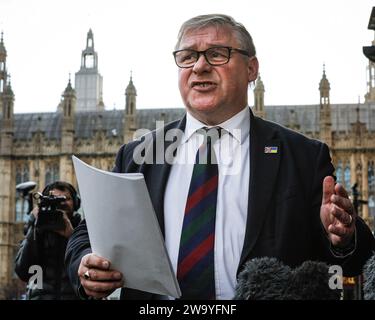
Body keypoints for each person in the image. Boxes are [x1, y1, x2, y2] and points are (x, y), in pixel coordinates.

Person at [65, 14, 375, 300]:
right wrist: (85, 264)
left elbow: (354, 260)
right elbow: (87, 232)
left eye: (216, 54)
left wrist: (343, 236)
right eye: (187, 57)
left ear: (251, 69)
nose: (199, 66)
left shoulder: (303, 157)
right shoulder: (138, 155)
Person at [15, 181, 82, 300]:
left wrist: (72, 237)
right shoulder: (36, 229)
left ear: (76, 203)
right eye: (54, 199)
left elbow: (88, 272)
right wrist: (36, 230)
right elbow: (23, 272)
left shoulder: (81, 231)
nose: (60, 203)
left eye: (65, 199)